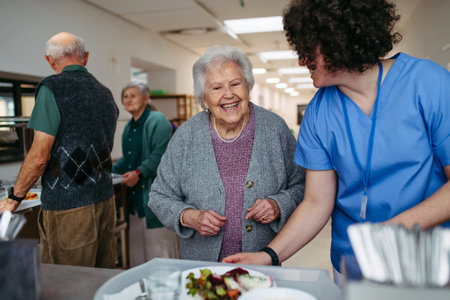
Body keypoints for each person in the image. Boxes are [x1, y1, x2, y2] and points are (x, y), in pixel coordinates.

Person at [223, 0, 450, 286]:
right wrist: (269, 255)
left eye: (307, 50)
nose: (301, 61)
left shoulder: (429, 84)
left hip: (427, 260)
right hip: (355, 263)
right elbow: (317, 202)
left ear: (339, 39)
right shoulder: (319, 112)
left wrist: (396, 228)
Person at [148, 45, 305, 262]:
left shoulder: (275, 129)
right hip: (200, 268)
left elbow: (303, 184)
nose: (228, 94)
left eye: (235, 84)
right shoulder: (186, 136)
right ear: (203, 97)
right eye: (217, 88)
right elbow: (158, 196)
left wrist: (279, 204)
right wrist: (190, 217)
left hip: (262, 264)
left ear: (248, 87)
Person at [0, 32, 119, 268]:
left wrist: (13, 199)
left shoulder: (52, 87)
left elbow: (39, 156)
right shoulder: (105, 92)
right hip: (105, 200)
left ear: (49, 60)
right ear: (85, 57)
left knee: (68, 282)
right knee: (101, 278)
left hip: (70, 208)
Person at [112, 82, 180, 266]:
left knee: (161, 258)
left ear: (146, 97)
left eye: (133, 95)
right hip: (135, 202)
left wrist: (138, 173)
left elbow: (160, 154)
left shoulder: (157, 120)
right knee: (138, 258)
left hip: (155, 202)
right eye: (125, 96)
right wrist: (105, 172)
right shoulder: (129, 127)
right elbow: (127, 159)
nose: (128, 99)